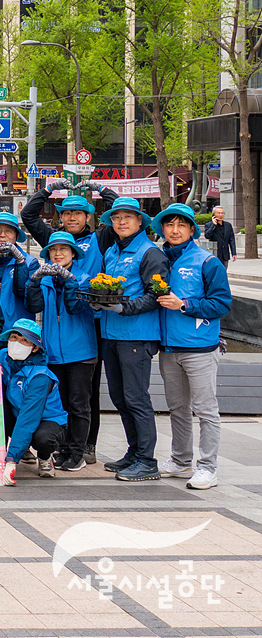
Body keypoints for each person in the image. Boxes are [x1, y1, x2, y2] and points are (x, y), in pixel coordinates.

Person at [23, 177, 118, 466]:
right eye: (66, 213)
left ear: (89, 215)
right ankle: (66, 446)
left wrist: (99, 189)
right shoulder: (54, 243)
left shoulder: (100, 238)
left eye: (78, 213)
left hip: (91, 320)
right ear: (60, 217)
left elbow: (119, 214)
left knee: (86, 393)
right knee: (65, 394)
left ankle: (86, 445)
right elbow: (28, 215)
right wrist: (49, 189)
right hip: (57, 334)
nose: (72, 217)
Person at [153, 203, 233, 490]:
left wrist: (185, 304)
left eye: (181, 225)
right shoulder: (159, 259)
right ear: (161, 229)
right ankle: (180, 460)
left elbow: (222, 303)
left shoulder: (206, 261)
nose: (175, 230)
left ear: (191, 230)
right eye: (169, 225)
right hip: (168, 349)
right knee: (177, 408)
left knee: (205, 409)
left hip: (200, 348)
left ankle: (208, 468)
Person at [92, 196, 170, 482]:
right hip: (111, 334)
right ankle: (134, 452)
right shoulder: (112, 251)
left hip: (136, 335)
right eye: (116, 218)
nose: (121, 222)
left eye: (128, 217)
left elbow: (156, 295)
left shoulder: (150, 253)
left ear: (140, 221)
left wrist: (125, 307)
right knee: (119, 398)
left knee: (136, 398)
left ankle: (147, 461)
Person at [25, 232, 98, 471]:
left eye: (64, 250)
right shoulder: (45, 280)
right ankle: (63, 449)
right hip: (53, 352)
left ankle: (78, 452)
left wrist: (70, 280)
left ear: (73, 253)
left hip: (80, 352)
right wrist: (34, 282)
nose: (58, 254)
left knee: (79, 404)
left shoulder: (86, 278)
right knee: (61, 405)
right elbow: (33, 306)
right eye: (53, 250)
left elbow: (75, 307)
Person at [0, 319, 70, 484]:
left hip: (47, 419)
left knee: (43, 438)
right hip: (18, 412)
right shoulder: (3, 356)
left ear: (35, 348)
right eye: (14, 337)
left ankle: (45, 456)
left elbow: (28, 417)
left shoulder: (40, 377)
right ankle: (0, 454)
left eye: (25, 340)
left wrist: (11, 461)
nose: (17, 343)